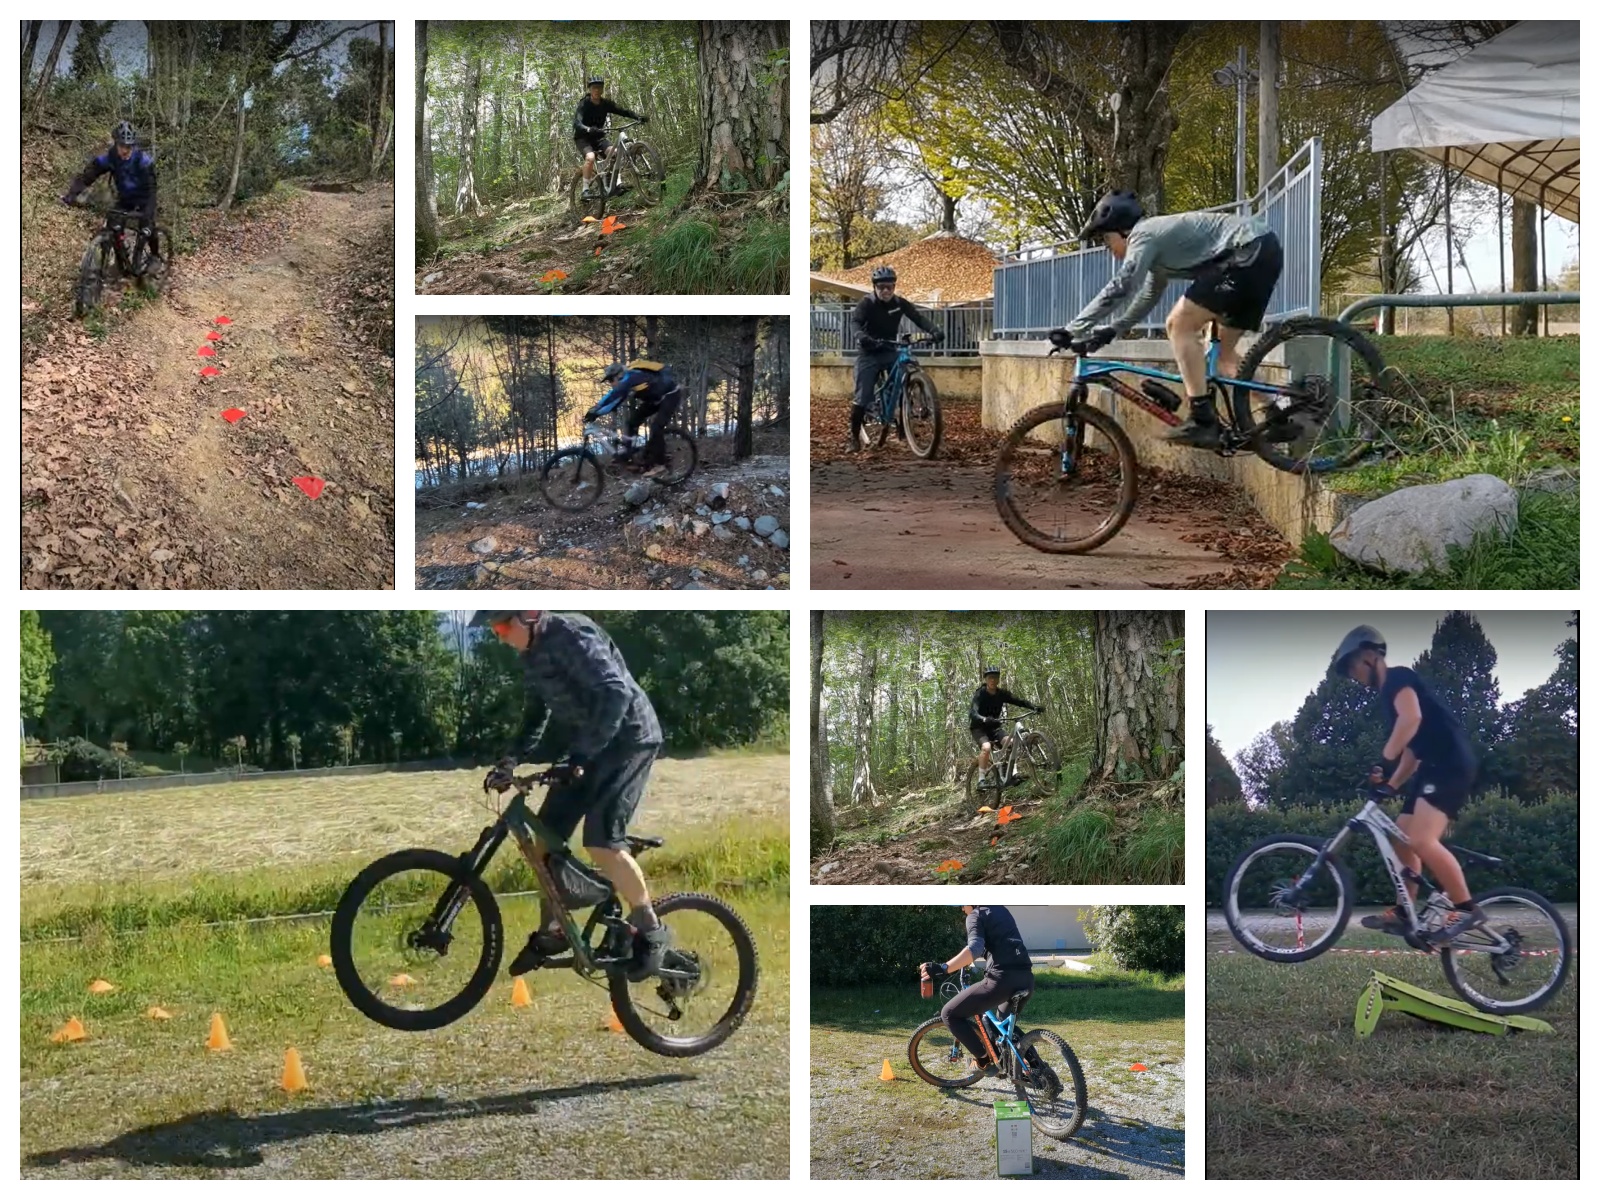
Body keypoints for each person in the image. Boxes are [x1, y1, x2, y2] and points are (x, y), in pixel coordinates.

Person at [473, 610, 669, 979]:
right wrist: (509, 762)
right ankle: (555, 931)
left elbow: (616, 692)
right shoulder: (530, 655)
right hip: (589, 747)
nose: (499, 636)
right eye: (493, 630)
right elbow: (535, 714)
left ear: (529, 616)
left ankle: (652, 932)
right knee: (543, 841)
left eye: (502, 627)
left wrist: (579, 756)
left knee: (601, 842)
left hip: (630, 739)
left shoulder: (572, 635)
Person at [1053, 190, 1284, 449]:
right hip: (1260, 252)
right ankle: (1280, 409)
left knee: (1179, 324)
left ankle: (1203, 419)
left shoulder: (1143, 234)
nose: (1110, 250)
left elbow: (1122, 285)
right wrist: (1113, 330)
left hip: (1245, 251)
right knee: (1223, 356)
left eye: (1107, 241)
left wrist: (1074, 328)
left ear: (1121, 231)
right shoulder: (1156, 247)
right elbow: (1148, 295)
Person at [1331, 625, 1484, 945]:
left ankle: (1466, 908)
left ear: (1371, 657)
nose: (1353, 675)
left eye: (1353, 666)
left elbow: (1411, 720)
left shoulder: (1398, 678)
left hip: (1451, 764)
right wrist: (1391, 784)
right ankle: (1406, 911)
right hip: (1430, 768)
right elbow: (1412, 750)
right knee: (1401, 836)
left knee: (1421, 839)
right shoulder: (1389, 699)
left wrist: (1384, 758)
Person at [920, 905, 1034, 1076]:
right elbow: (999, 944)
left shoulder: (975, 915)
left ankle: (983, 1060)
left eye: (961, 905)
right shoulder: (1001, 909)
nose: (961, 909)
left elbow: (975, 948)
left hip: (1001, 980)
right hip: (1026, 977)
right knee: (1002, 1026)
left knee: (949, 1014)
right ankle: (1040, 1070)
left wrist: (944, 968)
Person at [846, 264, 943, 451]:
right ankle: (853, 437)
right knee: (863, 396)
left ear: (894, 287)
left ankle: (902, 425)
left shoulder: (899, 303)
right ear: (874, 287)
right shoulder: (866, 304)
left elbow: (918, 318)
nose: (885, 290)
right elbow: (855, 323)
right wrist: (862, 337)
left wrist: (934, 330)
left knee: (900, 383)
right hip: (870, 351)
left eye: (889, 286)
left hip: (890, 348)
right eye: (881, 287)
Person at [62, 120, 159, 271]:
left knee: (147, 229)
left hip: (145, 198)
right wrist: (72, 194)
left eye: (129, 146)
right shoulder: (110, 158)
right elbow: (89, 175)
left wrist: (149, 212)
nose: (125, 150)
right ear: (115, 144)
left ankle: (154, 256)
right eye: (122, 146)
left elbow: (152, 188)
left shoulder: (143, 161)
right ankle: (120, 255)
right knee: (114, 225)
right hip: (125, 198)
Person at [588, 359, 683, 474]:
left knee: (656, 428)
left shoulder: (630, 378)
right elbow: (614, 399)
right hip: (655, 399)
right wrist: (596, 409)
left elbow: (614, 396)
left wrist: (597, 412)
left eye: (611, 380)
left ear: (619, 375)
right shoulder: (627, 381)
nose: (611, 384)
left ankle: (660, 463)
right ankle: (630, 454)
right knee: (632, 422)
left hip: (670, 395)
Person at [573, 78, 645, 199]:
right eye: (594, 88)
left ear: (602, 89)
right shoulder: (584, 103)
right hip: (583, 138)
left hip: (599, 137)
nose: (597, 90)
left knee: (615, 153)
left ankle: (616, 184)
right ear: (590, 90)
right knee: (590, 157)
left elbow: (622, 111)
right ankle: (585, 190)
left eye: (599, 87)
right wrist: (588, 129)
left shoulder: (605, 104)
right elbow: (577, 123)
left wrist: (637, 117)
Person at [969, 667, 1043, 785]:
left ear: (998, 680)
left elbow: (1019, 701)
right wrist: (983, 719)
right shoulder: (980, 694)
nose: (993, 680)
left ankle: (1012, 773)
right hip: (979, 728)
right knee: (986, 747)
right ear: (986, 680)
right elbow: (973, 713)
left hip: (994, 727)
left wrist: (1033, 707)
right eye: (990, 678)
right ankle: (981, 779)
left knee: (1011, 743)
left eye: (995, 678)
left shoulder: (1001, 694)